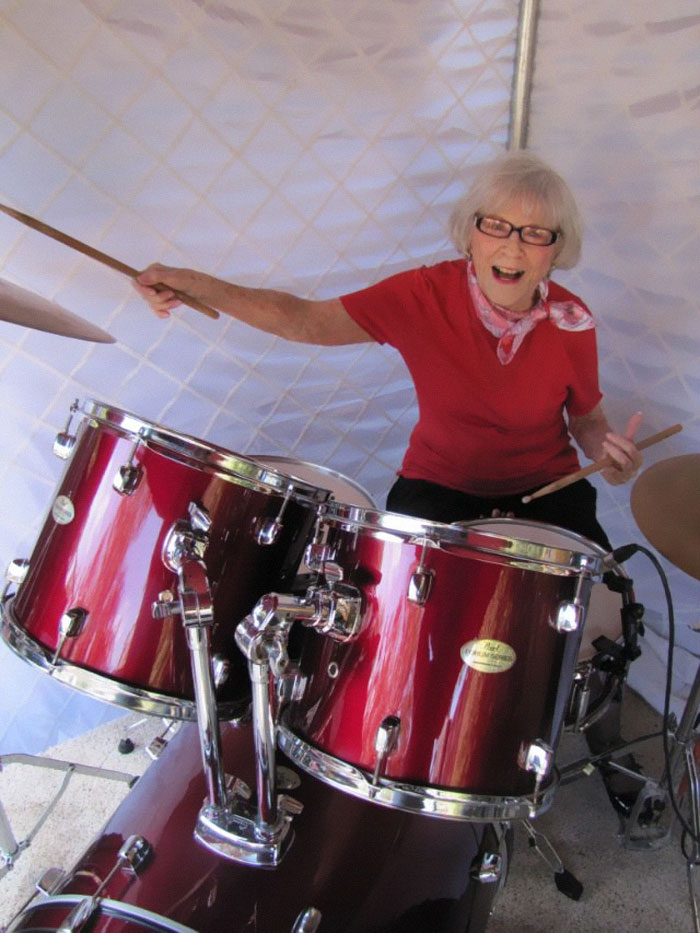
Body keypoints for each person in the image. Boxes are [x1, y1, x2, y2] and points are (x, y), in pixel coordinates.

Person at [134, 150, 644, 812]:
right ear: (470, 233)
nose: (512, 246)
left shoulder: (574, 320)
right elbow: (305, 318)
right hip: (439, 485)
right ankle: (411, 745)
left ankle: (608, 747)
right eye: (497, 225)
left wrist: (608, 449)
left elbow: (587, 417)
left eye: (535, 233)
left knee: (603, 617)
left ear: (555, 250)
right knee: (398, 620)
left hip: (546, 487)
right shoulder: (422, 294)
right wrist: (194, 282)